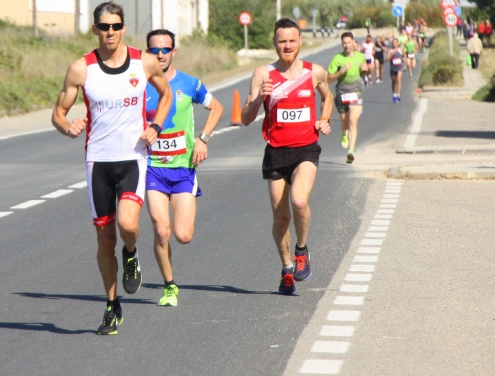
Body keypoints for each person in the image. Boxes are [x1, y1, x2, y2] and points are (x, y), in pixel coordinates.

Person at [51, 2, 172, 336]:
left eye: (116, 26)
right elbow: (58, 113)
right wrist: (67, 127)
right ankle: (112, 305)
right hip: (98, 162)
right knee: (104, 241)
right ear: (95, 30)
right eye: (104, 27)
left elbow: (166, 96)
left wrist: (157, 127)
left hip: (132, 157)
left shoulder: (144, 62)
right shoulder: (81, 69)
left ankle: (131, 252)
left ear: (123, 28)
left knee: (127, 224)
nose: (110, 33)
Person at [240, 18, 334, 296]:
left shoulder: (314, 72)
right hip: (276, 153)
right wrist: (258, 100)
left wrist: (325, 119)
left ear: (300, 42)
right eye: (282, 41)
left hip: (306, 149)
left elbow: (327, 97)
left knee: (299, 200)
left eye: (292, 40)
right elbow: (245, 119)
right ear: (274, 43)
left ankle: (302, 249)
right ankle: (286, 269)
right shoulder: (263, 74)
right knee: (280, 220)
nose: (287, 46)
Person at [143, 29, 224, 307]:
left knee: (183, 235)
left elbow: (217, 109)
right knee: (161, 231)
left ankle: (168, 276)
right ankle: (169, 286)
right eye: (155, 50)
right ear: (147, 53)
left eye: (166, 49)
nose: (161, 54)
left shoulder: (190, 84)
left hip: (183, 171)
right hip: (152, 169)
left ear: (174, 51)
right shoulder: (139, 87)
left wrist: (202, 139)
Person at [328, 32, 368, 164]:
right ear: (342, 44)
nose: (346, 45)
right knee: (345, 123)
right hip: (341, 93)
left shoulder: (360, 57)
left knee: (352, 121)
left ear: (353, 42)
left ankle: (350, 151)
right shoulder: (337, 59)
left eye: (348, 42)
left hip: (356, 92)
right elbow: (329, 78)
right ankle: (344, 132)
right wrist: (341, 71)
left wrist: (365, 69)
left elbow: (365, 72)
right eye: (344, 43)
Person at [389, 38, 404, 103]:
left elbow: (404, 56)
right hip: (393, 68)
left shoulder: (401, 50)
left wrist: (404, 62)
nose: (394, 43)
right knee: (394, 81)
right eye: (393, 42)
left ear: (398, 43)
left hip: (399, 67)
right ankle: (394, 94)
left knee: (398, 79)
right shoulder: (390, 51)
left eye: (395, 42)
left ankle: (398, 94)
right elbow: (387, 60)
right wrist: (391, 55)